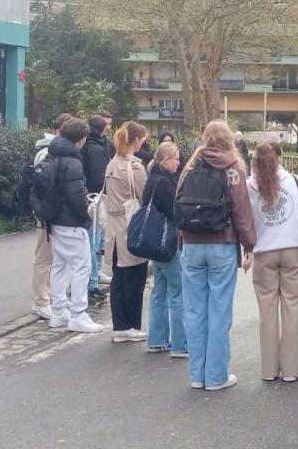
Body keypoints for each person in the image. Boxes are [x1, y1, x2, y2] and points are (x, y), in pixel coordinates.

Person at [177, 120, 257, 391]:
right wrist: (249, 245)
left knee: (195, 310)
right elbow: (241, 210)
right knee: (219, 311)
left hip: (191, 245)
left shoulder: (189, 167)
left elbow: (178, 204)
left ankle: (196, 374)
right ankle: (216, 375)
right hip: (221, 243)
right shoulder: (233, 168)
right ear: (228, 140)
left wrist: (182, 239)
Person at [247, 140, 298, 382]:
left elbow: (243, 218)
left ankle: (268, 370)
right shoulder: (295, 182)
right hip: (294, 250)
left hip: (263, 252)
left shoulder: (249, 185)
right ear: (279, 159)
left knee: (266, 313)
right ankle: (291, 370)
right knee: (292, 310)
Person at [43, 117, 105, 334]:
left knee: (61, 265)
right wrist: (87, 213)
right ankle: (78, 314)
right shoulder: (73, 161)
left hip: (55, 220)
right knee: (82, 266)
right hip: (72, 221)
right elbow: (76, 195)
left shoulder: (52, 154)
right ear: (81, 139)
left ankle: (58, 311)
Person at [104, 121, 149, 341]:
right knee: (134, 278)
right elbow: (145, 197)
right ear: (136, 140)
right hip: (131, 226)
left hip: (113, 228)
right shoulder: (135, 167)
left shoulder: (112, 164)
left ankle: (119, 324)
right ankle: (129, 324)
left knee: (118, 278)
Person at [145, 142, 186, 358]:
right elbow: (175, 213)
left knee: (159, 291)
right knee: (178, 292)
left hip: (154, 243)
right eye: (176, 158)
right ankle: (180, 344)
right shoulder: (166, 183)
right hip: (169, 242)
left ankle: (156, 339)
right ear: (165, 160)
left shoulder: (152, 179)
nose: (179, 163)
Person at [30, 114, 70, 320]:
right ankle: (40, 300)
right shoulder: (45, 152)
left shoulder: (58, 151)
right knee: (44, 256)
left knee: (56, 257)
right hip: (46, 211)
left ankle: (52, 294)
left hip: (57, 211)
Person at [82, 114, 115, 302]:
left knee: (96, 242)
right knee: (93, 242)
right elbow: (97, 176)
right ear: (103, 129)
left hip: (95, 197)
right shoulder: (96, 148)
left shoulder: (94, 145)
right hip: (97, 199)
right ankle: (91, 284)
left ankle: (93, 280)